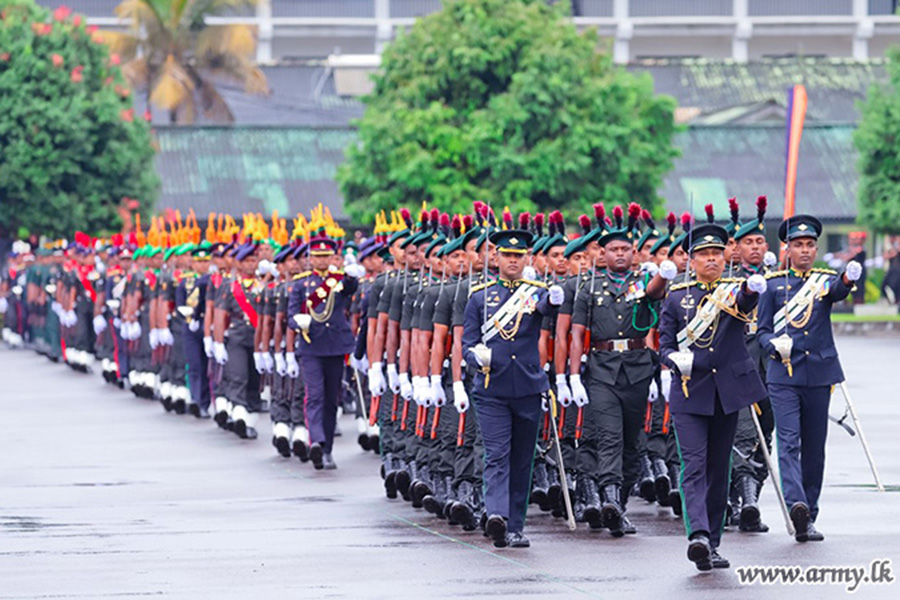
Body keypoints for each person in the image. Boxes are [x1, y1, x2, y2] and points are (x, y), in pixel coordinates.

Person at [657, 222, 768, 571]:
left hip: (727, 393)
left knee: (720, 470)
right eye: (704, 254)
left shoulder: (734, 290)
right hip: (691, 393)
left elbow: (746, 300)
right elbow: (664, 346)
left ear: (726, 257)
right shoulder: (677, 295)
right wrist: (673, 359)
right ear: (692, 259)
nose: (711, 260)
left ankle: (713, 543)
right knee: (694, 465)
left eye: (717, 254)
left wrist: (751, 289)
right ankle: (698, 535)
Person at [757, 214, 862, 543]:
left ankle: (810, 515)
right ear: (786, 248)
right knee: (788, 443)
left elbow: (836, 292)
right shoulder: (772, 285)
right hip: (783, 374)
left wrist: (847, 279)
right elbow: (760, 331)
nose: (804, 250)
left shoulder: (823, 280)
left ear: (816, 249)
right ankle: (796, 503)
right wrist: (772, 343)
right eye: (798, 245)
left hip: (818, 373)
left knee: (814, 448)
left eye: (809, 245)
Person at [462, 225, 564, 548]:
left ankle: (515, 525)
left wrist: (555, 299)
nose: (512, 261)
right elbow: (467, 343)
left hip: (528, 388)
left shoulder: (534, 291)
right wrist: (477, 357)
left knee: (522, 459)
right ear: (496, 257)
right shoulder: (480, 297)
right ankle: (497, 516)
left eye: (518, 256)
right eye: (507, 255)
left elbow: (546, 306)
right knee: (496, 454)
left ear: (527, 258)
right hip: (492, 389)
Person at [287, 236, 363, 470]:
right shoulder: (300, 284)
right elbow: (291, 318)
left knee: (332, 399)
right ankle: (317, 442)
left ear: (332, 257)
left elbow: (351, 289)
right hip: (311, 345)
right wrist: (300, 323)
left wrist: (350, 275)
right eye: (317, 256)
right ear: (310, 258)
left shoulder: (338, 280)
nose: (321, 260)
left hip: (335, 346)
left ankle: (327, 448)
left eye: (326, 256)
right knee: (315, 395)